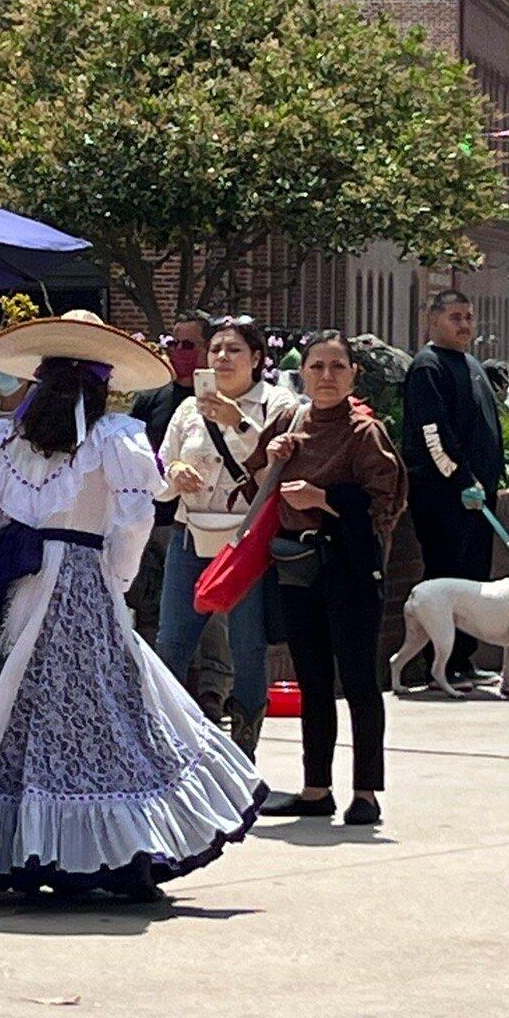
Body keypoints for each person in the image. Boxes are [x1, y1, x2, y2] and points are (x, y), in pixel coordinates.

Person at [0, 311, 266, 899]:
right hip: (75, 582)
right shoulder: (109, 440)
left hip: (13, 582)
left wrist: (16, 544)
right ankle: (91, 844)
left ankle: (15, 843)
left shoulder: (9, 442)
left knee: (14, 707)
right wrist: (113, 579)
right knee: (96, 708)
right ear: (102, 384)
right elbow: (133, 522)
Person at [253, 331, 407, 825]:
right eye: (316, 366)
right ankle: (315, 787)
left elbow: (387, 503)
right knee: (312, 679)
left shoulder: (366, 433)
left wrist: (323, 499)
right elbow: (253, 486)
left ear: (353, 375)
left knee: (360, 679)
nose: (325, 376)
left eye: (337, 367)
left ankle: (366, 791)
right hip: (296, 563)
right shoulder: (288, 422)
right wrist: (273, 459)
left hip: (350, 568)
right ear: (302, 372)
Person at [154, 316, 298, 759]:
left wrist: (238, 424)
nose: (221, 358)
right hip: (189, 533)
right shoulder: (187, 409)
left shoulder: (279, 405)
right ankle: (165, 741)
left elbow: (276, 471)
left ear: (257, 359)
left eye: (234, 350)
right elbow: (158, 473)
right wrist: (174, 474)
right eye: (215, 349)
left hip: (245, 542)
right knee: (172, 640)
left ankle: (244, 748)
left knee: (246, 644)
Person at [400, 289, 504, 686]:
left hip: (479, 497)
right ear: (433, 320)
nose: (465, 325)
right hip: (445, 497)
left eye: (469, 317)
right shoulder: (428, 368)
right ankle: (439, 665)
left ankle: (463, 659)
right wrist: (460, 479)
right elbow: (433, 434)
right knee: (447, 577)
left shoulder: (470, 364)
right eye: (455, 317)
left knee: (473, 580)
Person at [128, 311, 228, 710]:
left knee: (214, 615)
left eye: (188, 345)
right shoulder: (152, 398)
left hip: (204, 524)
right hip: (154, 520)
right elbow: (136, 454)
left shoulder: (221, 402)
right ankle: (166, 699)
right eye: (172, 344)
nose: (178, 353)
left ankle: (215, 694)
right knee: (156, 613)